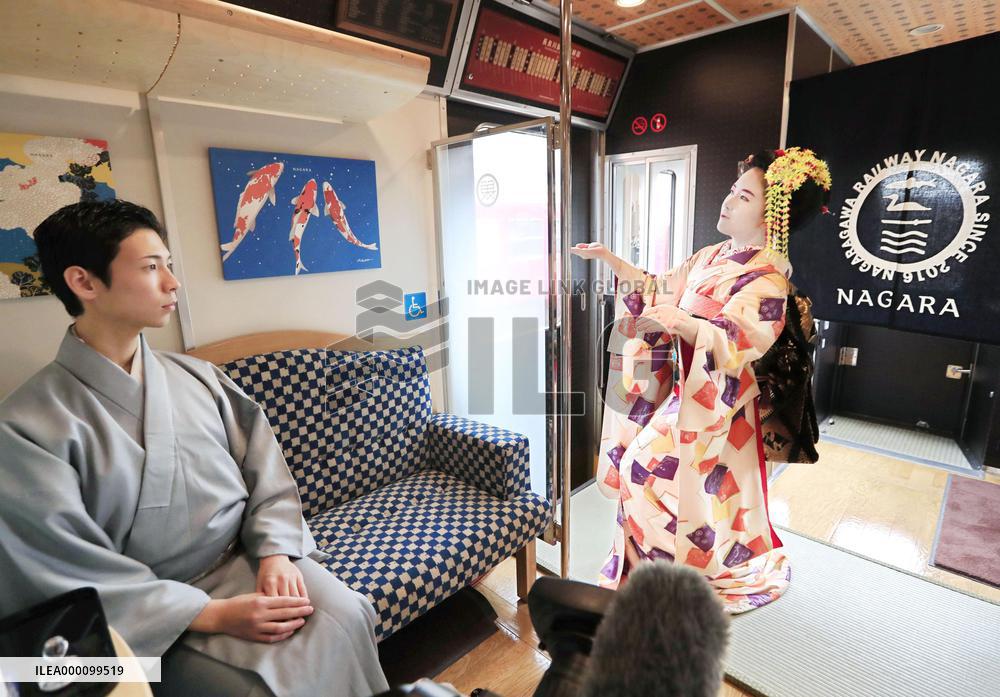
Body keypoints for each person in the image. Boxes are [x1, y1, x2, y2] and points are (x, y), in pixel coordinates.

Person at [0, 200, 389, 697]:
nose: (172, 283)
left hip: (248, 560)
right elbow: (56, 569)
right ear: (84, 283)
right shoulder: (26, 426)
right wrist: (209, 614)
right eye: (150, 268)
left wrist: (275, 554)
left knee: (350, 610)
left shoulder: (197, 376)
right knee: (248, 688)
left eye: (169, 265)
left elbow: (264, 471)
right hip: (147, 615)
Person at [571, 147, 831, 613]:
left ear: (771, 216)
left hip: (720, 399)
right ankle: (657, 568)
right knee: (675, 485)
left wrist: (684, 323)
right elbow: (658, 286)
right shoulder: (712, 255)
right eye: (733, 191)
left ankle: (675, 574)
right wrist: (611, 259)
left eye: (744, 196)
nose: (728, 201)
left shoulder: (768, 278)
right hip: (686, 387)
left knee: (649, 474)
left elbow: (741, 339)